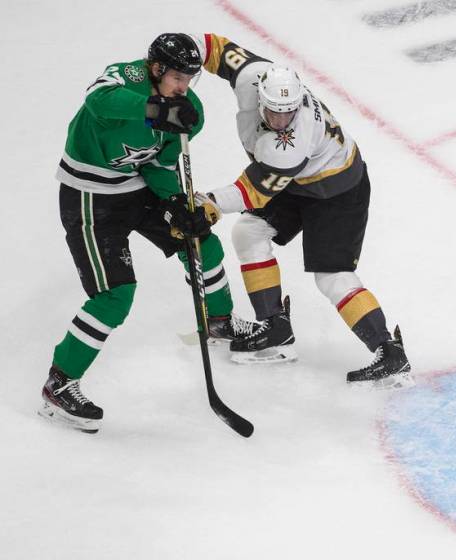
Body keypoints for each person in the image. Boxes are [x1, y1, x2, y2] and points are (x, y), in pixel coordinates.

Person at [42, 33, 260, 432]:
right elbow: (97, 100)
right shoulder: (127, 78)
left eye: (190, 79)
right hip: (90, 197)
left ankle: (218, 320)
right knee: (115, 296)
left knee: (201, 242)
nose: (184, 87)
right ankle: (59, 383)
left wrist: (177, 201)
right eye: (177, 76)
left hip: (136, 189)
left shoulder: (188, 109)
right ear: (156, 68)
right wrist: (153, 109)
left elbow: (159, 164)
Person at [189, 33, 412, 386]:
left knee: (332, 276)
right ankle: (275, 329)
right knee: (249, 231)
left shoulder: (289, 148)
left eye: (289, 112)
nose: (282, 122)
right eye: (275, 113)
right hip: (301, 183)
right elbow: (213, 48)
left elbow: (252, 192)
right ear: (260, 95)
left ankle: (389, 352)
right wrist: (180, 61)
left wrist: (209, 204)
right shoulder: (254, 76)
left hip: (339, 192)